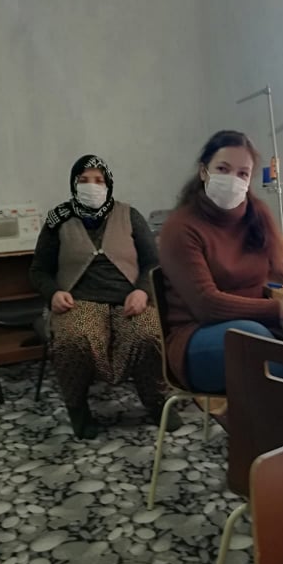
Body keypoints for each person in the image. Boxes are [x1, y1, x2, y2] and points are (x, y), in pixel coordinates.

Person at [158, 129, 283, 394]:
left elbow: (280, 254)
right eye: (223, 169)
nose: (232, 179)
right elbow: (206, 304)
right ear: (203, 171)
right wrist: (279, 308)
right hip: (198, 337)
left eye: (242, 174)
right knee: (275, 364)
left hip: (255, 331)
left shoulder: (255, 214)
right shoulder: (181, 228)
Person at [30, 154, 179, 439]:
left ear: (108, 184)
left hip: (128, 301)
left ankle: (158, 401)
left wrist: (142, 290)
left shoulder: (129, 215)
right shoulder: (57, 219)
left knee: (148, 334)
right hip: (79, 302)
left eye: (98, 180)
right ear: (73, 183)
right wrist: (53, 293)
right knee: (74, 339)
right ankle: (78, 407)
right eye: (84, 180)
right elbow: (38, 270)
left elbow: (153, 262)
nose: (92, 186)